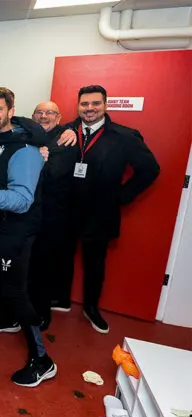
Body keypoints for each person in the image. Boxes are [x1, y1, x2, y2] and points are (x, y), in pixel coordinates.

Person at [0, 87, 57, 387]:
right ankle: (8, 320)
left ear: (10, 109)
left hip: (16, 227)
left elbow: (22, 200)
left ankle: (42, 360)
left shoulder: (26, 150)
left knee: (14, 290)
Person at [66, 85, 159, 333]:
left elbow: (150, 169)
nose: (89, 109)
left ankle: (91, 307)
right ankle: (59, 301)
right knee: (59, 257)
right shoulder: (66, 131)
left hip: (100, 213)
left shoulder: (124, 136)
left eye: (95, 104)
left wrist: (120, 196)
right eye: (84, 104)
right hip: (65, 210)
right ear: (78, 106)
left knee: (95, 264)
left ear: (105, 105)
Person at [28, 101, 79, 329]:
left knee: (44, 267)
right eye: (39, 112)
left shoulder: (66, 141)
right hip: (25, 213)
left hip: (51, 216)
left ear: (59, 118)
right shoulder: (26, 136)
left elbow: (52, 174)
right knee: (25, 265)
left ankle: (41, 313)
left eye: (50, 113)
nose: (44, 116)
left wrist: (38, 160)